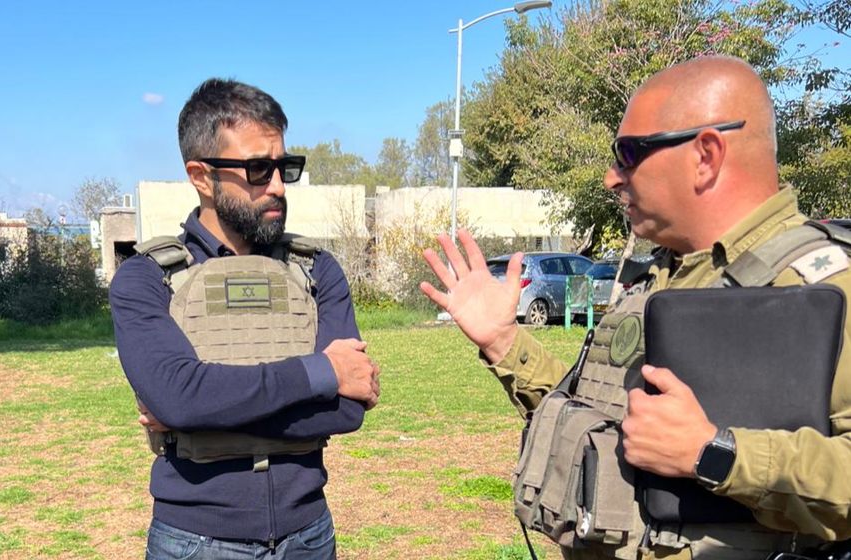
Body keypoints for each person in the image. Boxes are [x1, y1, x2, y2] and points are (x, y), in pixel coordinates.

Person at [421, 55, 851, 559]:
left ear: (705, 155)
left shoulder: (826, 284)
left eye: (627, 153)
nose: (611, 177)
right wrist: (503, 342)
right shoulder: (662, 275)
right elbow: (609, 420)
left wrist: (714, 454)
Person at [110, 78, 381, 560]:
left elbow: (347, 409)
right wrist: (323, 372)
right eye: (258, 169)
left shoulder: (317, 271)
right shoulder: (145, 279)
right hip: (194, 543)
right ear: (200, 175)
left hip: (309, 536)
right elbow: (179, 398)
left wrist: (202, 418)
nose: (277, 186)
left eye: (284, 168)